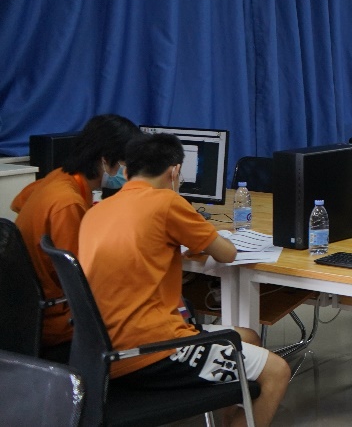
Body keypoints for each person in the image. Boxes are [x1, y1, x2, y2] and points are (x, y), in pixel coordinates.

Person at [78, 133, 289, 427]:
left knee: (248, 337)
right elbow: (227, 253)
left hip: (103, 349)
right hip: (152, 349)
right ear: (175, 171)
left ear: (126, 172)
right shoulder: (166, 201)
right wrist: (179, 202)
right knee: (277, 371)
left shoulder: (96, 211)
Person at [10, 114, 141, 360]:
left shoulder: (59, 179)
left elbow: (19, 202)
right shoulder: (67, 203)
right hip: (59, 320)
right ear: (105, 160)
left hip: (33, 311)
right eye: (126, 163)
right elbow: (81, 280)